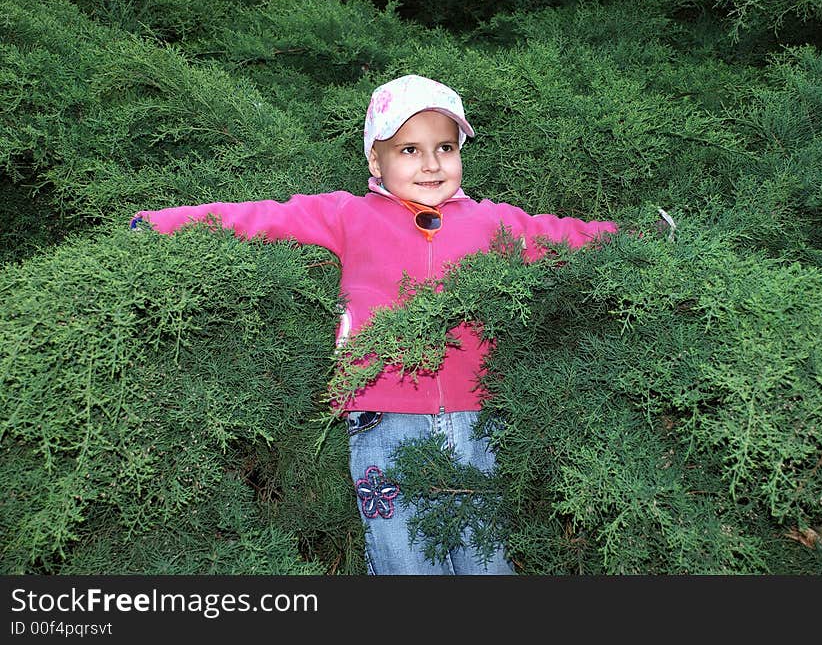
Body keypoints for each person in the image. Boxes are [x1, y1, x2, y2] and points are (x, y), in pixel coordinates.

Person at [131, 74, 618, 575]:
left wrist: (639, 238)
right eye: (409, 149)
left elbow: (562, 236)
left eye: (445, 147)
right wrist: (165, 223)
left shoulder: (492, 222)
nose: (431, 164)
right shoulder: (349, 215)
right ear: (375, 160)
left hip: (476, 418)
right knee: (404, 561)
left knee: (484, 559)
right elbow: (262, 217)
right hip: (383, 415)